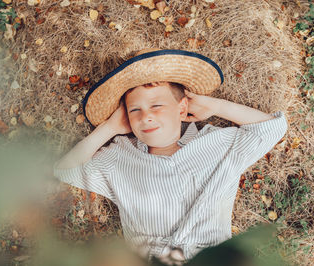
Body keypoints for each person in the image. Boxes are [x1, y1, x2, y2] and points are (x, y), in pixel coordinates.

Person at [53, 49, 288, 265]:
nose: (146, 116)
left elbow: (271, 128)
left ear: (182, 108)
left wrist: (214, 106)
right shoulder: (119, 157)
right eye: (135, 110)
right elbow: (66, 169)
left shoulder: (216, 143)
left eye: (156, 106)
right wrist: (110, 128)